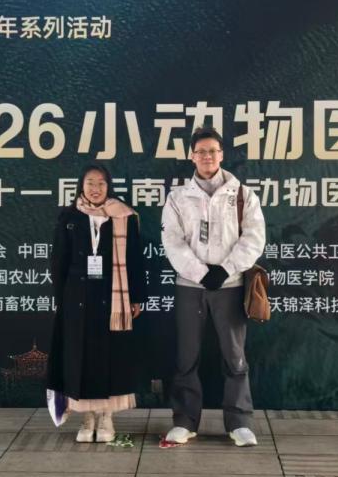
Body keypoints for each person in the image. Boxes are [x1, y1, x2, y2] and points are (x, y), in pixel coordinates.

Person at [161, 126, 266, 447]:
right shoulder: (178, 197)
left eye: (213, 151)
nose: (207, 156)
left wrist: (226, 270)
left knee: (235, 356)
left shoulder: (243, 194)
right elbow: (172, 241)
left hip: (230, 285)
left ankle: (239, 422)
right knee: (186, 356)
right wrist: (200, 273)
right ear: (191, 156)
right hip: (189, 286)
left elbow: (254, 238)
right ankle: (184, 421)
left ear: (222, 155)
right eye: (201, 151)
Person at [46, 164, 146, 442]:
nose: (95, 188)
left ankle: (106, 418)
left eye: (101, 183)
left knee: (110, 357)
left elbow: (135, 259)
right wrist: (60, 300)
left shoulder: (123, 215)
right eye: (90, 182)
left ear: (109, 186)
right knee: (80, 358)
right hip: (77, 299)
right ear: (81, 185)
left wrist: (137, 297)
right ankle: (87, 418)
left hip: (113, 299)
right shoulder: (69, 216)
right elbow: (59, 261)